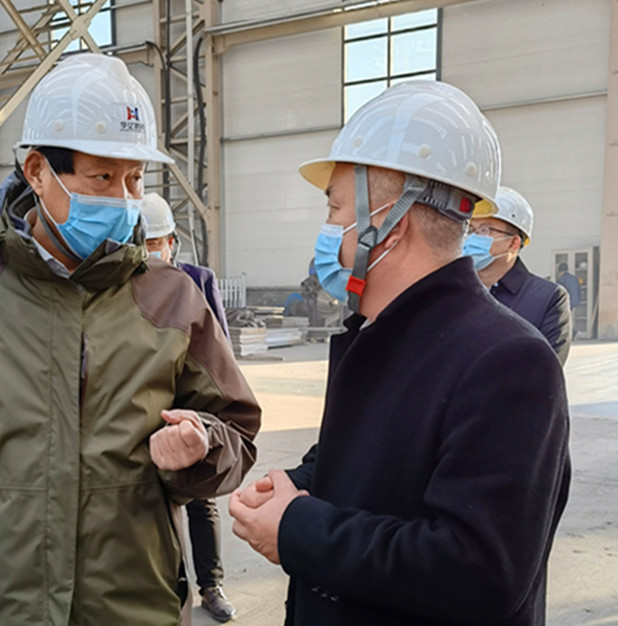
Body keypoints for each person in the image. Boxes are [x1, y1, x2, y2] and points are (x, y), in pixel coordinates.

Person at [0, 53, 261, 626]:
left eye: (134, 179)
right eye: (102, 177)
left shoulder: (171, 298)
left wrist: (201, 447)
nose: (123, 199)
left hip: (135, 611)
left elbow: (237, 433)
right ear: (37, 171)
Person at [229, 81, 571, 626]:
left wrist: (297, 529)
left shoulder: (510, 362)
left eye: (336, 209)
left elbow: (479, 571)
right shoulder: (381, 335)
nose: (329, 232)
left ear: (389, 223)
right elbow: (378, 464)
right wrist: (300, 484)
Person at [141, 193, 235, 623]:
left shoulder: (197, 280)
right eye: (143, 243)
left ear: (171, 243)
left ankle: (211, 585)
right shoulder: (126, 284)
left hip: (193, 408)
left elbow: (221, 351)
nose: (150, 251)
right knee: (157, 505)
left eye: (155, 243)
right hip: (150, 410)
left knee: (201, 500)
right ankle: (168, 588)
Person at [463, 186, 572, 363]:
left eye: (484, 230)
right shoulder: (453, 290)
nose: (471, 238)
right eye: (469, 229)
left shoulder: (548, 299)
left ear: (513, 243)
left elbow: (546, 370)